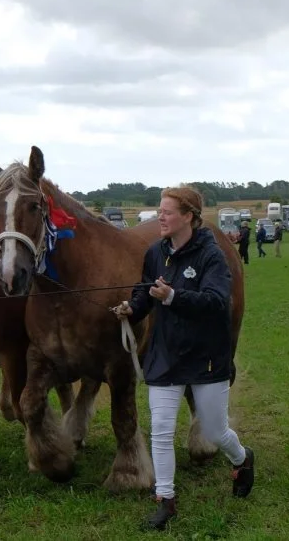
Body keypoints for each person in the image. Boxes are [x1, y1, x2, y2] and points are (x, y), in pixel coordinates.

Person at [113, 186, 254, 531]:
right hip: (165, 355)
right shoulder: (155, 253)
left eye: (167, 211)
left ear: (188, 217)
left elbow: (217, 303)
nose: (159, 216)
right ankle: (165, 500)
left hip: (206, 356)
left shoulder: (211, 255)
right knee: (160, 431)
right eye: (159, 210)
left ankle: (241, 457)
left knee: (215, 431)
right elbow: (146, 290)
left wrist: (173, 296)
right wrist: (133, 307)